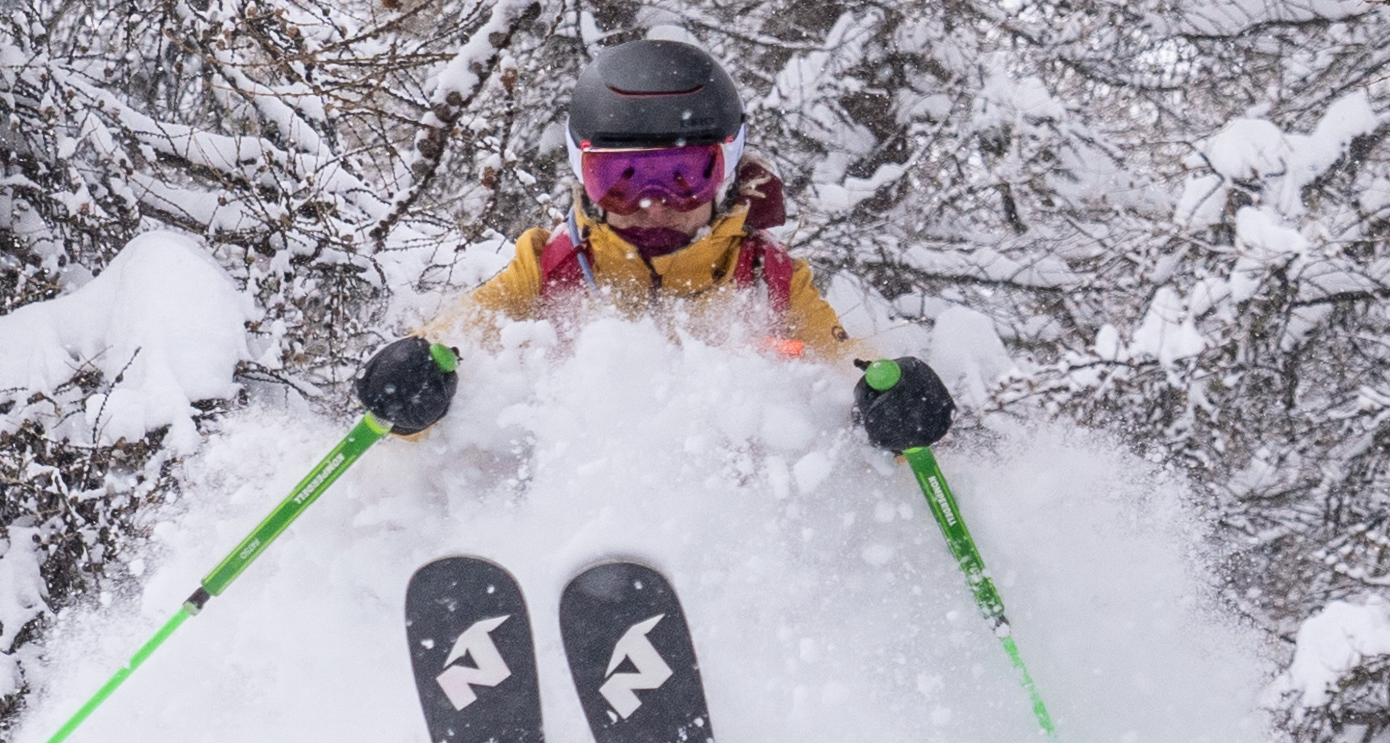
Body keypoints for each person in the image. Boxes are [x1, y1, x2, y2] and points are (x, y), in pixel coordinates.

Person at [351, 37, 956, 451]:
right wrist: (412, 389)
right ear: (582, 176)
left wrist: (891, 410)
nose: (653, 203)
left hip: (730, 532)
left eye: (683, 175)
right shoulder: (549, 268)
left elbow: (844, 379)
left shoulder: (769, 282)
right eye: (621, 180)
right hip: (560, 506)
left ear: (727, 171)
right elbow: (455, 343)